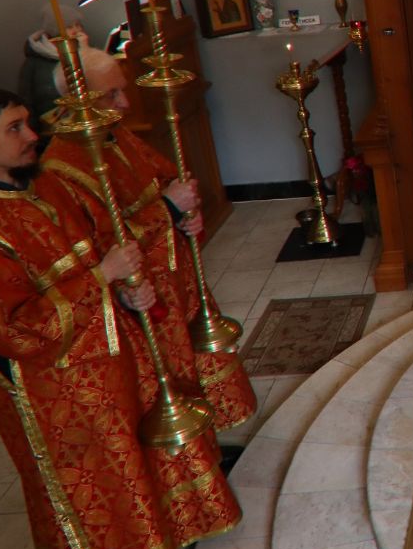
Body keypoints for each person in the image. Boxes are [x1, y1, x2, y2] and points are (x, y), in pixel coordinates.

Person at [0, 86, 241, 549]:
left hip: (112, 361)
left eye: (28, 123)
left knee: (140, 470)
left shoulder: (45, 186)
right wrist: (101, 279)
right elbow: (15, 332)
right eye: (14, 129)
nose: (32, 137)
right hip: (59, 401)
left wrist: (123, 290)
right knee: (102, 494)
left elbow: (99, 253)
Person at [42, 48, 257, 431]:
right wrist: (169, 209)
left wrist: (187, 211)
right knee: (168, 379)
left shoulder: (116, 134)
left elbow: (166, 180)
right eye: (112, 94)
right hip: (139, 296)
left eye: (123, 90)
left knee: (195, 357)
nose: (125, 104)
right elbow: (100, 247)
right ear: (79, 99)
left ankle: (210, 432)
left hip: (174, 276)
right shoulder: (62, 170)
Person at [18, 7, 90, 125]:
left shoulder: (81, 49)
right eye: (69, 27)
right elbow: (26, 100)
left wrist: (85, 51)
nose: (77, 30)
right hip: (51, 125)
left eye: (78, 25)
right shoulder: (34, 63)